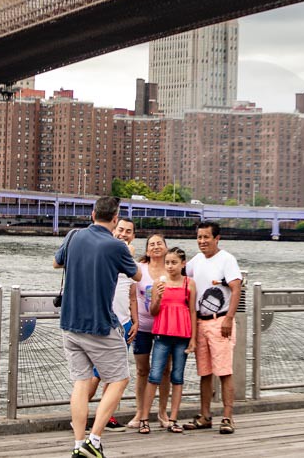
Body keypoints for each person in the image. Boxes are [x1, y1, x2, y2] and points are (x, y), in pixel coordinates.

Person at [54, 196, 140, 458]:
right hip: (100, 325)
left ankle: (78, 444)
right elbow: (136, 274)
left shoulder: (72, 237)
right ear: (115, 220)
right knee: (119, 379)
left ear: (92, 214)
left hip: (70, 324)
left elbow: (57, 262)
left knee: (80, 383)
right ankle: (95, 438)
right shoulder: (117, 246)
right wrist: (125, 250)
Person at [183, 221, 242, 435]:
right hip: (200, 322)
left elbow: (236, 289)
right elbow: (179, 273)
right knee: (205, 372)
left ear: (217, 238)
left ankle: (227, 417)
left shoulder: (227, 260)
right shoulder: (196, 261)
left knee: (224, 371)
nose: (202, 241)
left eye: (206, 237)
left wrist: (229, 318)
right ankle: (205, 416)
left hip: (220, 321)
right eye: (199, 237)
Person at [85, 217, 138, 432]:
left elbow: (132, 295)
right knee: (95, 374)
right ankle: (79, 414)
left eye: (128, 231)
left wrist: (136, 321)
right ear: (113, 229)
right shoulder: (103, 252)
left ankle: (106, 416)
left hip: (123, 323)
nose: (124, 234)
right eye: (120, 229)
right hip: (103, 322)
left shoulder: (130, 261)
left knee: (115, 375)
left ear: (133, 235)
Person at [135, 247, 197, 434]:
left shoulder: (189, 283)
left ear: (183, 264)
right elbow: (153, 311)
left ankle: (173, 418)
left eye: (174, 263)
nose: (170, 266)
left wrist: (193, 338)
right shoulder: (158, 283)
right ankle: (145, 418)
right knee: (154, 375)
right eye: (167, 263)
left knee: (177, 377)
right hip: (162, 333)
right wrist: (158, 297)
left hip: (182, 335)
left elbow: (192, 311)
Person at [127, 234, 172, 429]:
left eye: (159, 243)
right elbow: (133, 297)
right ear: (146, 250)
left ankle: (162, 411)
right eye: (151, 244)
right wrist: (134, 321)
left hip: (166, 327)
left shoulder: (173, 268)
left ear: (166, 247)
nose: (155, 247)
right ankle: (140, 412)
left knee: (165, 370)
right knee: (142, 370)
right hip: (144, 326)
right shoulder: (139, 269)